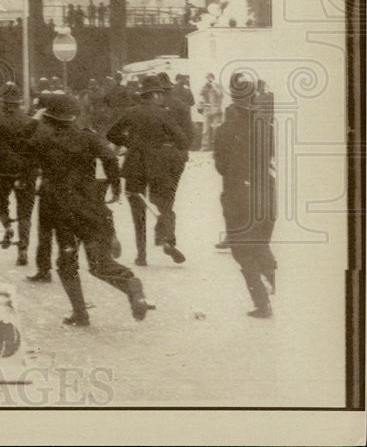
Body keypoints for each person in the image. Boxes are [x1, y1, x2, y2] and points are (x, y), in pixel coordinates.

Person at [24, 94, 151, 325]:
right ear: (73, 116)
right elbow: (110, 158)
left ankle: (80, 313)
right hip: (90, 207)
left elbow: (23, 145)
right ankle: (131, 286)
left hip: (61, 210)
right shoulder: (88, 137)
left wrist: (36, 119)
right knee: (100, 263)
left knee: (66, 262)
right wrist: (114, 186)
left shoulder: (42, 139)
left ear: (49, 117)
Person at [107, 75, 190, 266]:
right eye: (159, 93)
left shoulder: (131, 112)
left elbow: (111, 134)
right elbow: (183, 141)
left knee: (137, 210)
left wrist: (130, 143)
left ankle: (141, 254)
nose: (161, 97)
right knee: (163, 204)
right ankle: (168, 241)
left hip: (134, 164)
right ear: (154, 95)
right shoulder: (163, 114)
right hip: (158, 164)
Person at [214, 72, 277, 317]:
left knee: (242, 249)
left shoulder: (223, 130)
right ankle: (272, 276)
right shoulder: (267, 127)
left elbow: (221, 167)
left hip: (238, 192)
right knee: (260, 241)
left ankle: (262, 304)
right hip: (266, 190)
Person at [0, 84, 36, 266]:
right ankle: (23, 249)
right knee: (25, 211)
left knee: (1, 203)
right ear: (20, 103)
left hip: (3, 169)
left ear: (5, 103)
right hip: (26, 171)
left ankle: (7, 227)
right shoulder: (30, 121)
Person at [198, 73, 224, 150]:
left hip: (215, 109)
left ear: (212, 78)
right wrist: (204, 86)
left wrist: (213, 85)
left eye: (209, 78)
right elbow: (200, 93)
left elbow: (220, 95)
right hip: (206, 109)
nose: (208, 80)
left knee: (215, 128)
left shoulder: (217, 85)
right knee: (205, 129)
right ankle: (205, 146)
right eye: (207, 78)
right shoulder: (205, 87)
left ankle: (216, 146)